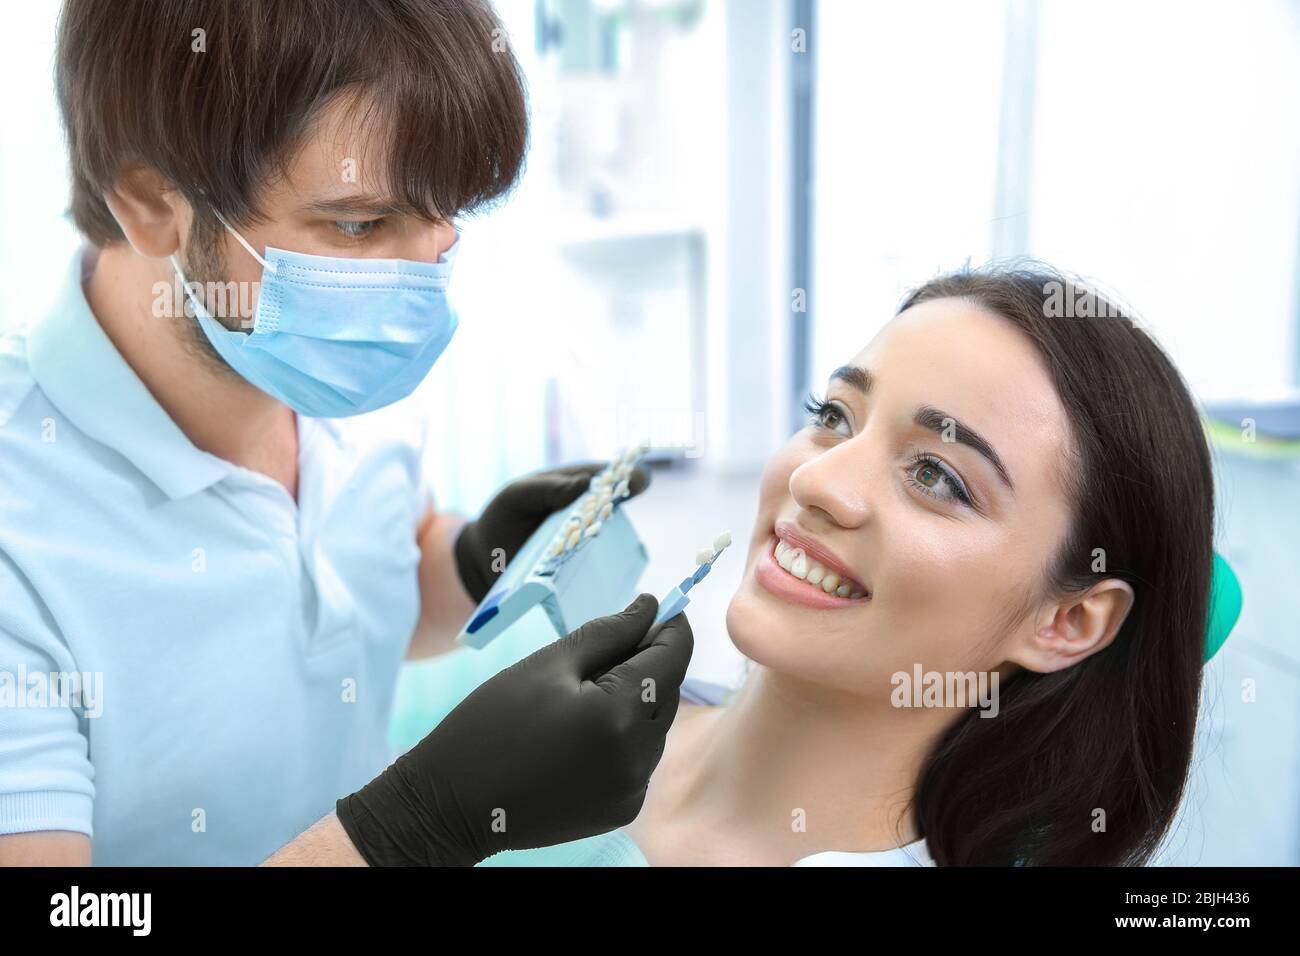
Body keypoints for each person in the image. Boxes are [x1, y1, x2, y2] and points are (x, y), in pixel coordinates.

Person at [0, 0, 692, 867]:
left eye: (445, 219)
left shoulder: (330, 367)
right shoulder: (19, 534)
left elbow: (357, 610)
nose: (415, 289)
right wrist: (416, 825)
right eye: (360, 225)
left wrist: (470, 561)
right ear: (149, 202)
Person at [483, 264, 1215, 866]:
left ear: (1068, 620)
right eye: (834, 416)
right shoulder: (558, 731)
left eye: (935, 475)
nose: (815, 481)